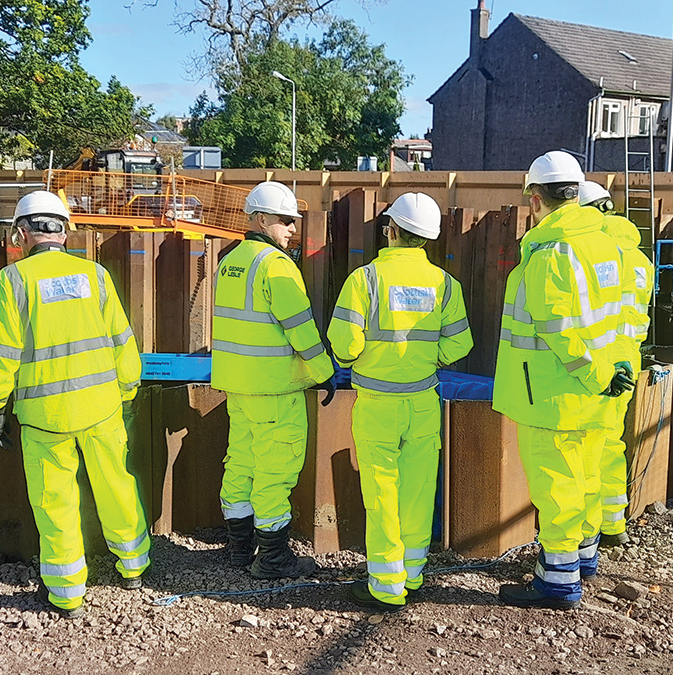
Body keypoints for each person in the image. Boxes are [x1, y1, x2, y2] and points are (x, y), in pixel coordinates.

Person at [0, 190, 149, 619]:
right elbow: (123, 343)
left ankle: (67, 594)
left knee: (55, 500)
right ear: (64, 231)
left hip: (45, 418)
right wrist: (126, 392)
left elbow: (2, 354)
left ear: (21, 233)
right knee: (117, 484)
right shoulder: (94, 275)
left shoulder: (13, 280)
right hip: (103, 408)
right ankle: (134, 567)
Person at [493, 152, 635, 609]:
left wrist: (595, 376)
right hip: (598, 391)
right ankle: (583, 560)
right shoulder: (606, 246)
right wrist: (611, 374)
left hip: (553, 395)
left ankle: (557, 582)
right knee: (587, 476)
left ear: (535, 198)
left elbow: (559, 330)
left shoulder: (550, 254)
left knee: (556, 486)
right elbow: (618, 317)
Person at [328, 192, 473, 611]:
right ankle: (412, 573)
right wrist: (429, 359)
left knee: (381, 492)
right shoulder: (446, 285)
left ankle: (386, 586)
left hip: (377, 403)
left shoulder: (365, 280)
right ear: (427, 239)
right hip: (424, 401)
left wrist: (360, 358)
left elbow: (345, 345)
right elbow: (459, 343)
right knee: (417, 489)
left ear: (390, 231)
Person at [212, 180, 335, 579]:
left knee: (241, 463)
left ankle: (239, 549)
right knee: (274, 470)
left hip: (239, 386)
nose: (292, 229)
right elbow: (301, 329)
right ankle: (273, 559)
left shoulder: (229, 261)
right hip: (275, 388)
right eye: (285, 221)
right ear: (261, 219)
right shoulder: (276, 266)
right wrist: (324, 373)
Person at [579, 181, 655, 547]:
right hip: (629, 353)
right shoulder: (640, 257)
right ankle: (613, 522)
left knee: (590, 446)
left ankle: (587, 531)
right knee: (611, 441)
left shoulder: (599, 252)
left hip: (602, 357)